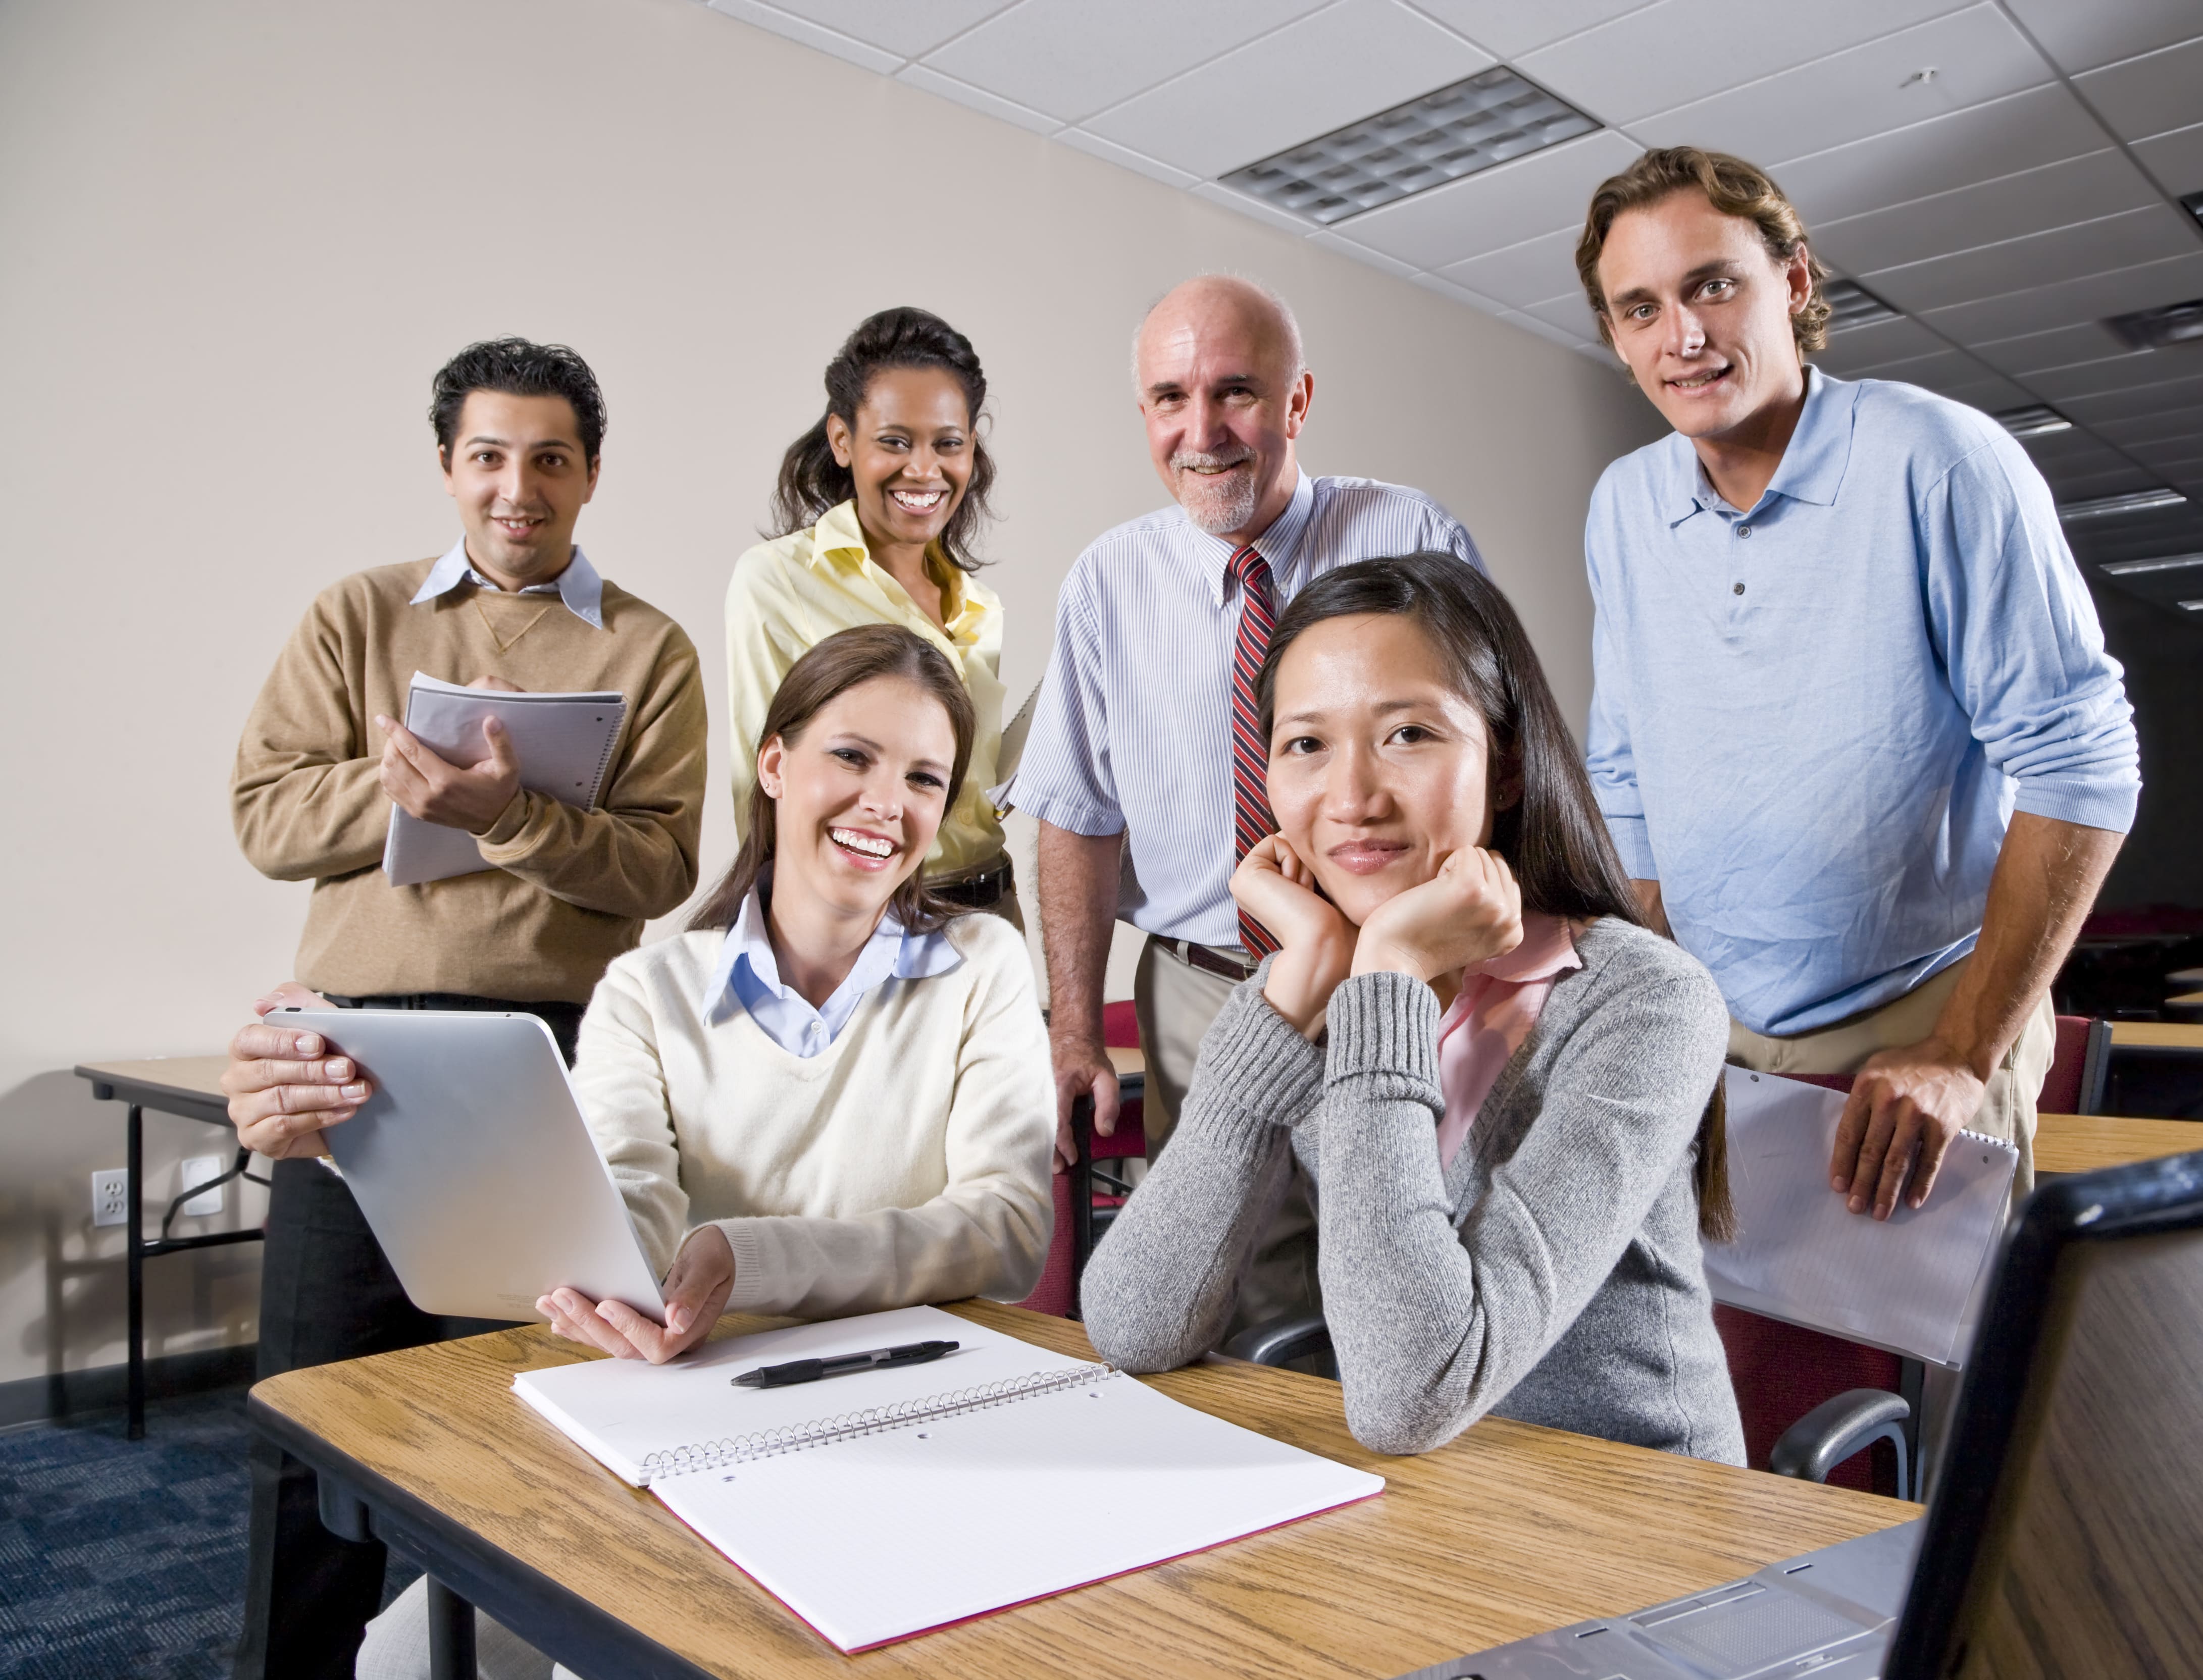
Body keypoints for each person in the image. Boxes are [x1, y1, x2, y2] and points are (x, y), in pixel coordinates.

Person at [224, 625, 1057, 1680]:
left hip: (905, 1419)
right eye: (853, 755)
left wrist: (746, 1257)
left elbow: (1008, 1231)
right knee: (397, 1665)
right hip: (685, 1432)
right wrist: (364, 1128)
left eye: (924, 776)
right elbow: (620, 1210)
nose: (887, 802)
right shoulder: (648, 989)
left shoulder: (981, 964)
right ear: (774, 764)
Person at [224, 338, 707, 1680]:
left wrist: (510, 820)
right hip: (353, 1051)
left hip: (546, 1056)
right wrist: (405, 792)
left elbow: (658, 869)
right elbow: (263, 815)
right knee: (312, 1404)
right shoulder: (355, 614)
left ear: (591, 474)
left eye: (550, 459)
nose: (518, 487)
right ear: (448, 469)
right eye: (489, 457)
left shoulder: (648, 648)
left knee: (531, 1413)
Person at [1575, 147, 2140, 1216]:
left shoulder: (1939, 458)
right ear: (1615, 335)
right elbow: (1624, 769)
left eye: (1712, 284)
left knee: (1930, 1381)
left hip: (1921, 1024)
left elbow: (2084, 759)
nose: (1682, 336)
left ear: (1792, 282)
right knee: (1737, 1370)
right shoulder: (1621, 503)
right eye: (1640, 308)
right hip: (1716, 1029)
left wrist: (1964, 1049)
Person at [1082, 554, 1741, 1465]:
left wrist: (1387, 974)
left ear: (1504, 765)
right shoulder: (1314, 985)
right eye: (1306, 743)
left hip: (1638, 1528)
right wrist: (1297, 982)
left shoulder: (1646, 1001)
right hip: (1427, 1511)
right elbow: (1131, 1322)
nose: (1352, 799)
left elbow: (1408, 1392)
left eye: (1408, 734)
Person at [1010, 274, 1487, 1337]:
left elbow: (1496, 770)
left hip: (1393, 974)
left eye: (1235, 392)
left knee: (1413, 1278)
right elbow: (1077, 816)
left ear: (1297, 402)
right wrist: (1075, 1031)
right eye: (1170, 398)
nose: (1202, 429)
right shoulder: (1107, 582)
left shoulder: (1409, 535)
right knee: (1234, 1306)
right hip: (1204, 993)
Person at [724, 307, 1020, 921]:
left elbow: (972, 793)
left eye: (948, 444)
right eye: (894, 442)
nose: (924, 470)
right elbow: (762, 795)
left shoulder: (980, 608)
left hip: (992, 911)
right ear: (842, 441)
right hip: (868, 918)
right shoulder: (779, 580)